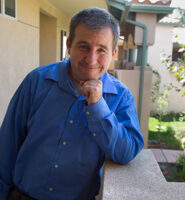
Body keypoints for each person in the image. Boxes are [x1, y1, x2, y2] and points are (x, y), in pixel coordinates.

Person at [0, 7, 144, 200]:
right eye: (83, 46)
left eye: (101, 49)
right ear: (69, 45)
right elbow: (7, 143)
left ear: (113, 53)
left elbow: (127, 151)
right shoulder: (36, 81)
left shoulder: (121, 97)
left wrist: (98, 106)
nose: (91, 59)